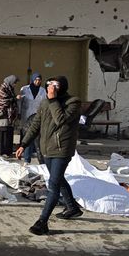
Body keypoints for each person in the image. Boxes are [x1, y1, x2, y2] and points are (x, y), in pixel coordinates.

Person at [16, 76, 84, 235]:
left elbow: (61, 120)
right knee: (58, 179)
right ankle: (72, 208)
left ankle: (42, 222)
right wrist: (23, 144)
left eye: (55, 85)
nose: (51, 88)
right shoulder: (46, 102)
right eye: (50, 85)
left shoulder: (73, 102)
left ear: (63, 87)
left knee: (53, 185)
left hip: (62, 149)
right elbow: (35, 125)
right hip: (46, 149)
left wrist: (53, 100)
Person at [18, 72, 47, 164]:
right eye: (36, 79)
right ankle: (27, 159)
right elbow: (20, 102)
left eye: (39, 80)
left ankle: (41, 161)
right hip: (26, 116)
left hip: (37, 116)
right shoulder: (24, 89)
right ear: (32, 79)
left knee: (37, 139)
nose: (38, 81)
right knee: (27, 137)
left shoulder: (43, 91)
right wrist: (18, 113)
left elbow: (45, 103)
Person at [0, 75, 20, 156]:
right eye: (14, 83)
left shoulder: (10, 89)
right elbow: (3, 101)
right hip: (3, 114)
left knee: (8, 132)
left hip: (9, 115)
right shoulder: (3, 88)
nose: (15, 84)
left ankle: (7, 151)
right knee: (2, 133)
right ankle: (0, 152)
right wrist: (15, 98)